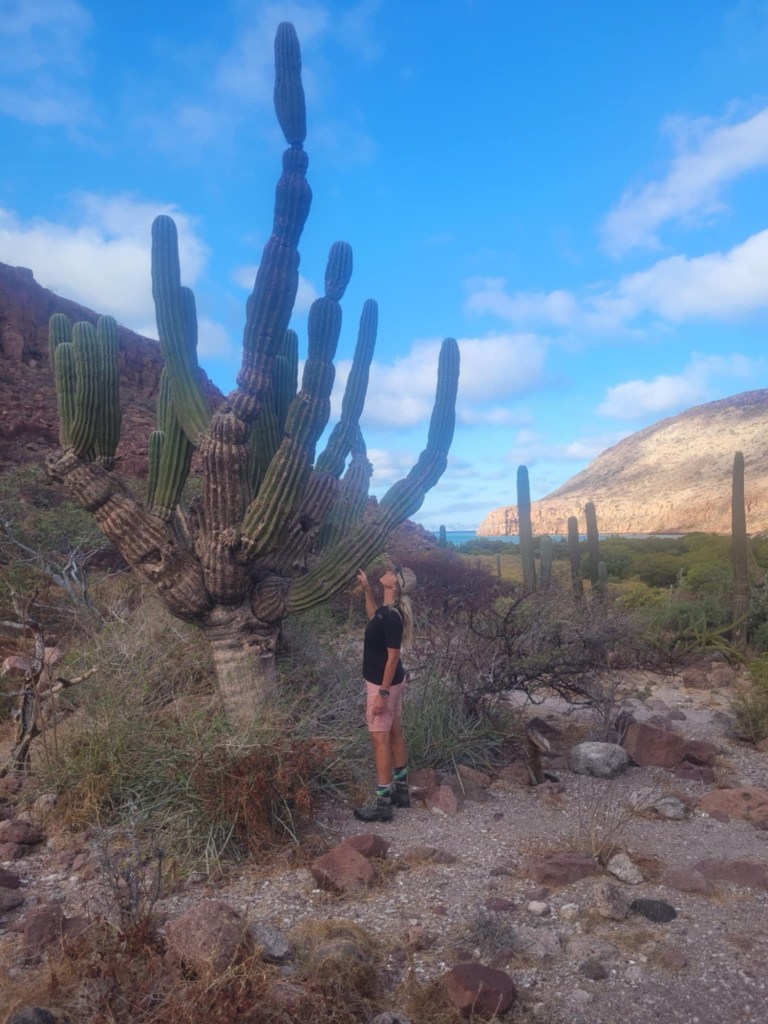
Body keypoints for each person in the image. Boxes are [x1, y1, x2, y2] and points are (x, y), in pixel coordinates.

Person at [353, 563, 417, 822]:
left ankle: (383, 804)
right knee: (395, 733)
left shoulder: (391, 617)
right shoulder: (386, 612)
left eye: (393, 572)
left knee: (380, 740)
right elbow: (372, 616)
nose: (388, 571)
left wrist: (381, 694)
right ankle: (401, 791)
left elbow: (393, 658)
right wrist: (367, 589)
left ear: (396, 584)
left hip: (383, 684)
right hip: (393, 682)